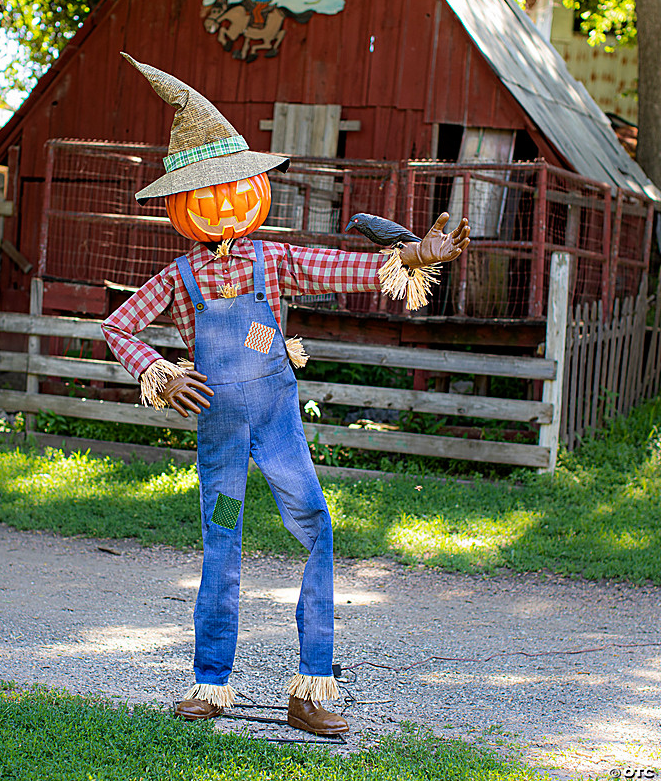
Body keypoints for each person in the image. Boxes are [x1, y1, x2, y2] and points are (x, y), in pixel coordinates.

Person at [102, 54, 469, 736]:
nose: (227, 203)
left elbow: (346, 266)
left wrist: (415, 255)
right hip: (218, 429)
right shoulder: (180, 274)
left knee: (316, 531)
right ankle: (211, 685)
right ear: (183, 202)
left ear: (255, 186)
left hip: (275, 421)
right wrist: (159, 370)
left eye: (238, 186)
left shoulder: (274, 259)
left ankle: (312, 689)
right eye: (210, 193)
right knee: (221, 547)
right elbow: (117, 325)